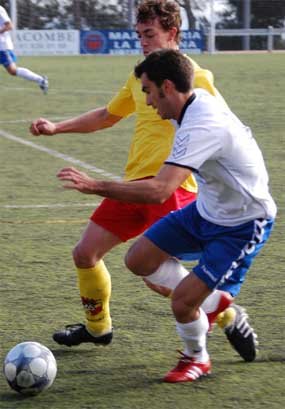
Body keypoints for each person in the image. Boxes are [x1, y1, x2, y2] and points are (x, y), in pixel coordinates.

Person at [30, 0, 256, 361]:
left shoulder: (195, 77)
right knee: (85, 253)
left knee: (157, 278)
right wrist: (58, 127)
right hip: (133, 185)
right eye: (139, 35)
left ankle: (228, 313)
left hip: (170, 188)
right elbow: (107, 115)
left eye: (150, 34)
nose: (143, 41)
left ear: (173, 33)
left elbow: (222, 127)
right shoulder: (141, 76)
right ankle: (98, 328)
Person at [56, 49, 277, 382]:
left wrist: (94, 185)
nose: (146, 102)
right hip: (206, 211)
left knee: (182, 304)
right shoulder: (188, 105)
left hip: (242, 225)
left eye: (148, 91)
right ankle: (215, 304)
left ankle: (197, 358)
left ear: (168, 87)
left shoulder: (202, 124)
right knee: (139, 260)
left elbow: (160, 190)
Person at [0, 5, 48, 94]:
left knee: (12, 70)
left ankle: (41, 80)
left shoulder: (0, 9)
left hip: (2, 47)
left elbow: (9, 26)